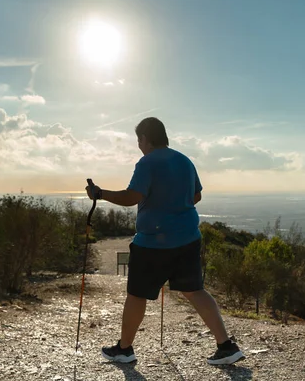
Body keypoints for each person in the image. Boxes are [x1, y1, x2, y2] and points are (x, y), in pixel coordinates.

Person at [85, 117, 245, 365]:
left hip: (152, 244)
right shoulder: (184, 160)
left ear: (145, 139)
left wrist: (100, 193)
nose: (139, 144)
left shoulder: (147, 163)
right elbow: (197, 195)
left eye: (139, 140)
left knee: (137, 294)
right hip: (188, 238)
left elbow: (132, 197)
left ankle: (125, 349)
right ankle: (226, 345)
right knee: (195, 291)